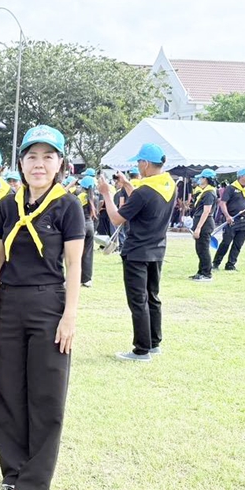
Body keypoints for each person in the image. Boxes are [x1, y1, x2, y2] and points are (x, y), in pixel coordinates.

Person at [0, 125, 83, 490]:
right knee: (6, 390)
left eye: (47, 157)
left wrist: (70, 315)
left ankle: (34, 484)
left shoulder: (68, 206)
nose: (39, 164)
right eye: (32, 156)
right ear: (21, 162)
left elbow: (74, 265)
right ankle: (13, 472)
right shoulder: (7, 205)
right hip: (9, 302)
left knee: (46, 394)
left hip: (48, 304)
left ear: (60, 164)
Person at [97, 142, 174, 361]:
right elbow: (144, 200)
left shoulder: (144, 192)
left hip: (137, 252)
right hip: (157, 250)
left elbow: (116, 218)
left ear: (146, 163)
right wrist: (128, 185)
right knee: (152, 297)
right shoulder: (169, 184)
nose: (138, 166)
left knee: (138, 301)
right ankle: (154, 343)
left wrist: (107, 194)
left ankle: (141, 349)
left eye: (139, 162)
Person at [212, 167, 245, 272]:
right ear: (241, 176)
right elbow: (223, 203)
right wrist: (227, 216)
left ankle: (231, 264)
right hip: (232, 220)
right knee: (226, 243)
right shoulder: (231, 188)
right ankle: (216, 263)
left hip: (244, 220)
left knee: (238, 244)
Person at [188, 169, 217, 282]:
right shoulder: (204, 191)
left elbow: (206, 211)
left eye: (201, 177)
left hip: (205, 224)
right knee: (200, 249)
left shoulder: (209, 193)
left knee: (203, 249)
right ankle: (201, 271)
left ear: (206, 179)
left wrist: (198, 228)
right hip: (201, 222)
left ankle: (207, 273)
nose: (199, 179)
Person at [76, 175, 97, 287]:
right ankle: (87, 279)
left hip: (80, 226)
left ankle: (76, 278)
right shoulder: (95, 198)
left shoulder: (79, 197)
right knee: (88, 254)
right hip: (90, 226)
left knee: (77, 253)